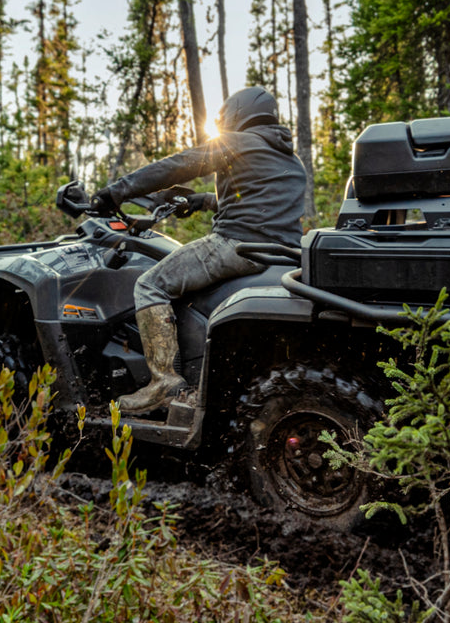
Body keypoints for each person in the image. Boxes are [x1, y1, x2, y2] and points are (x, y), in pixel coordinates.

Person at [92, 87, 307, 414]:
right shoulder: (289, 158)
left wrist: (115, 192)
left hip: (236, 245)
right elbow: (257, 198)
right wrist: (204, 201)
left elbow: (180, 165)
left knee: (150, 285)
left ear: (237, 114)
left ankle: (163, 383)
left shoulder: (237, 141)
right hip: (280, 253)